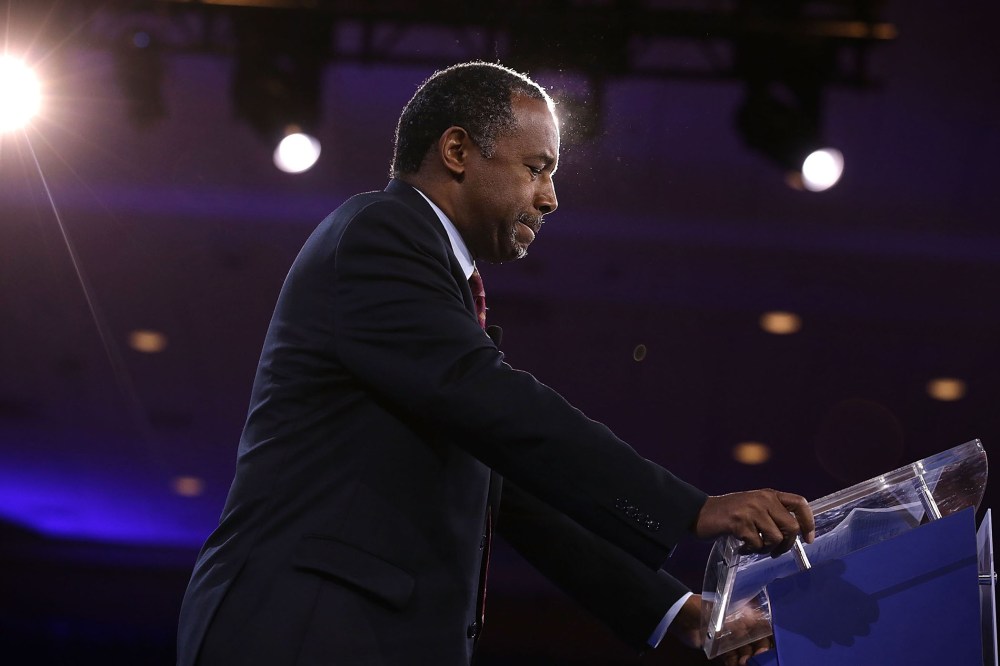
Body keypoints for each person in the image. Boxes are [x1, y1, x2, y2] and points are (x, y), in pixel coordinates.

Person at [177, 61, 814, 666]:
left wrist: (681, 612)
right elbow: (485, 394)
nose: (551, 198)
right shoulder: (380, 232)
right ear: (457, 151)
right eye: (537, 169)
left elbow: (509, 495)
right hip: (302, 627)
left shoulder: (433, 284)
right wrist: (691, 510)